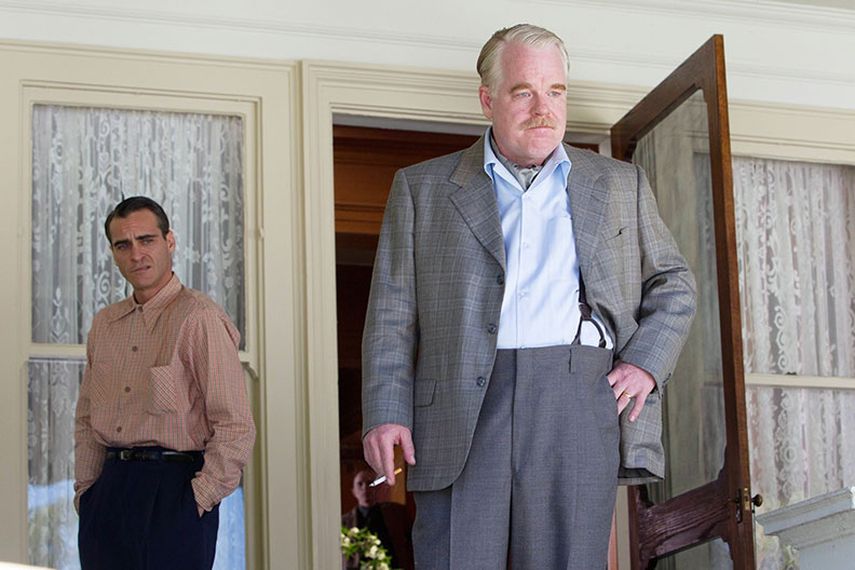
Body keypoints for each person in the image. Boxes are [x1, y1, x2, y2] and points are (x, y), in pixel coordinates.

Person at [361, 23, 697, 569]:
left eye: (556, 91)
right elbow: (391, 315)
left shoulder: (619, 184)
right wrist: (384, 413)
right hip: (460, 408)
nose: (544, 107)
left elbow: (674, 283)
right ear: (488, 99)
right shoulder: (421, 188)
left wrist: (645, 365)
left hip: (579, 398)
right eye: (524, 91)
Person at [74, 196, 256, 570]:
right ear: (113, 252)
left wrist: (198, 499)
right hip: (108, 491)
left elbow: (235, 424)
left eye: (147, 240)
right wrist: (86, 494)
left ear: (169, 241)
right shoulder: (105, 325)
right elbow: (86, 419)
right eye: (123, 245)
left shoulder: (199, 317)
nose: (136, 254)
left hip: (174, 490)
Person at [341, 469, 414, 570]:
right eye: (360, 484)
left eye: (370, 483)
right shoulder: (344, 522)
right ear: (353, 491)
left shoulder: (396, 513)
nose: (365, 489)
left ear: (378, 488)